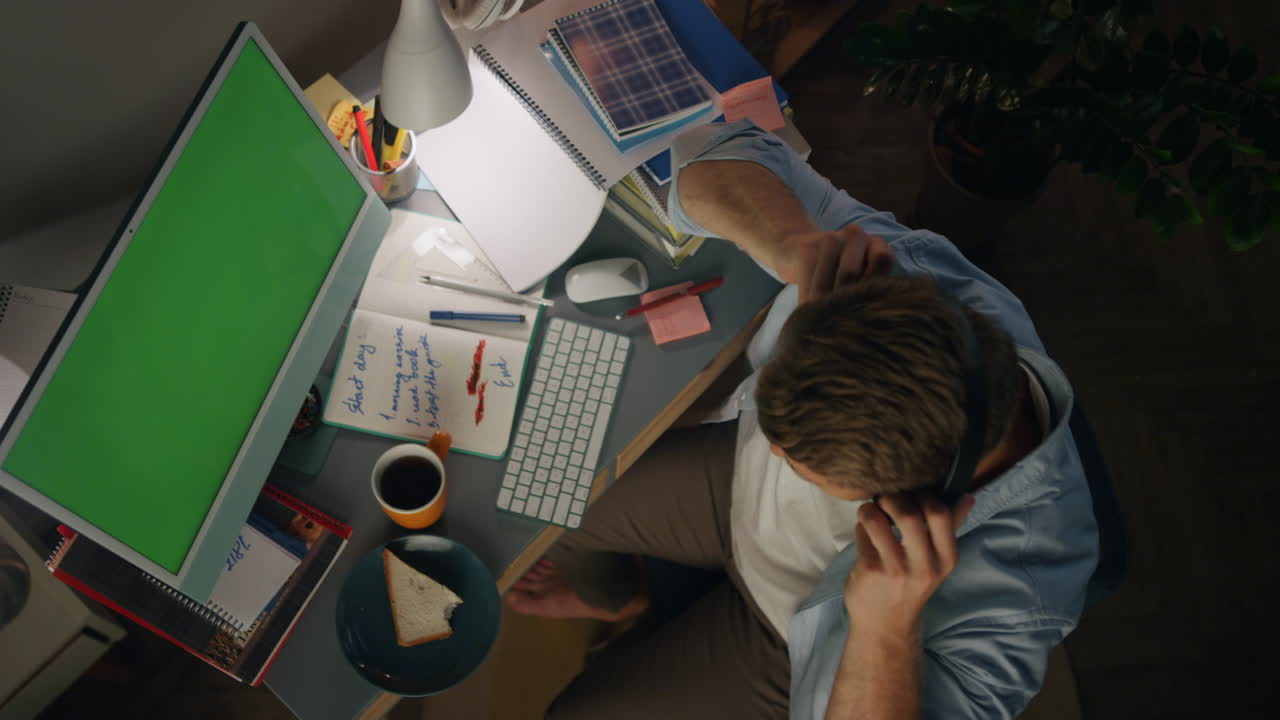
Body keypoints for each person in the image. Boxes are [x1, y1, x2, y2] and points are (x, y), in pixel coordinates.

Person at [507, 120, 1100, 719]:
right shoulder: (911, 279)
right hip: (734, 502)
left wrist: (884, 630)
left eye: (800, 463)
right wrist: (794, 242)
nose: (773, 449)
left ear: (905, 498)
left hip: (787, 638)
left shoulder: (1023, 597)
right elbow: (715, 149)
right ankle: (614, 598)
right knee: (541, 491)